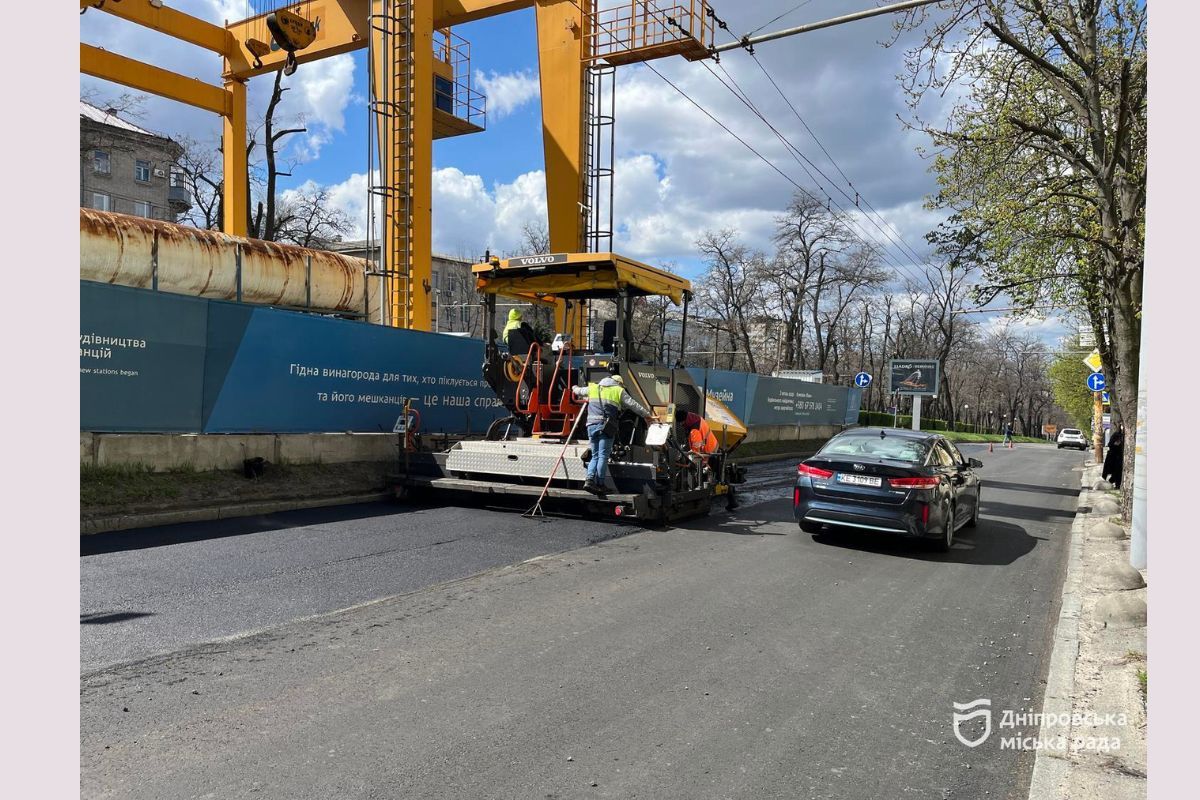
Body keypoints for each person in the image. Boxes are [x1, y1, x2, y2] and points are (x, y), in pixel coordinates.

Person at [572, 373, 654, 495]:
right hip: (605, 427)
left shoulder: (593, 387)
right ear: (619, 383)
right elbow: (633, 405)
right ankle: (600, 484)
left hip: (591, 426)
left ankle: (589, 481)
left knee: (595, 455)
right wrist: (647, 415)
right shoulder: (618, 390)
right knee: (603, 456)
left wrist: (574, 387)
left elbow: (579, 391)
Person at [675, 409, 738, 511]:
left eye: (681, 423)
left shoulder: (694, 430)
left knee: (716, 476)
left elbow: (696, 451)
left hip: (710, 453)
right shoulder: (695, 419)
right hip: (712, 450)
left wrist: (693, 462)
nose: (681, 425)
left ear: (684, 420)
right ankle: (732, 501)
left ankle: (731, 501)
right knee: (720, 475)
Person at [1103, 424, 1125, 488]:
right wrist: (1117, 444)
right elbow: (1111, 444)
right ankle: (1113, 483)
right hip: (1114, 456)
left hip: (1118, 456)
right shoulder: (1116, 435)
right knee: (1115, 471)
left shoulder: (1122, 435)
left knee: (1117, 472)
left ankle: (1115, 483)